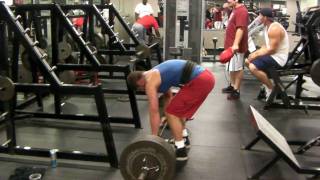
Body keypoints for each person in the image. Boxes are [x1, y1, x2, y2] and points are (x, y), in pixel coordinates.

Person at [127, 60, 215, 161]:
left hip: (199, 81)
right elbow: (168, 96)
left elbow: (153, 111)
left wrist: (154, 139)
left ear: (139, 83)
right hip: (206, 77)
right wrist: (166, 117)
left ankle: (180, 150)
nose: (143, 90)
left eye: (140, 89)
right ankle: (184, 138)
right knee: (176, 111)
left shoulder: (149, 82)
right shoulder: (155, 73)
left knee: (171, 113)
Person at [245, 8, 289, 100]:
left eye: (260, 15)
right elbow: (266, 46)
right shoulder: (267, 27)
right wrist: (255, 53)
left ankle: (271, 89)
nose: (258, 18)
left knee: (253, 66)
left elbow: (272, 50)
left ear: (265, 17)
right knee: (248, 61)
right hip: (272, 55)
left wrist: (256, 55)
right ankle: (267, 83)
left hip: (278, 58)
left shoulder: (274, 28)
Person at [222, 0, 248, 100]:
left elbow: (240, 29)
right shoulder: (235, 9)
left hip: (235, 46)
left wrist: (236, 44)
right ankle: (232, 85)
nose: (227, 1)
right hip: (230, 45)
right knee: (231, 66)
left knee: (237, 68)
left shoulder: (242, 11)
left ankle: (236, 90)